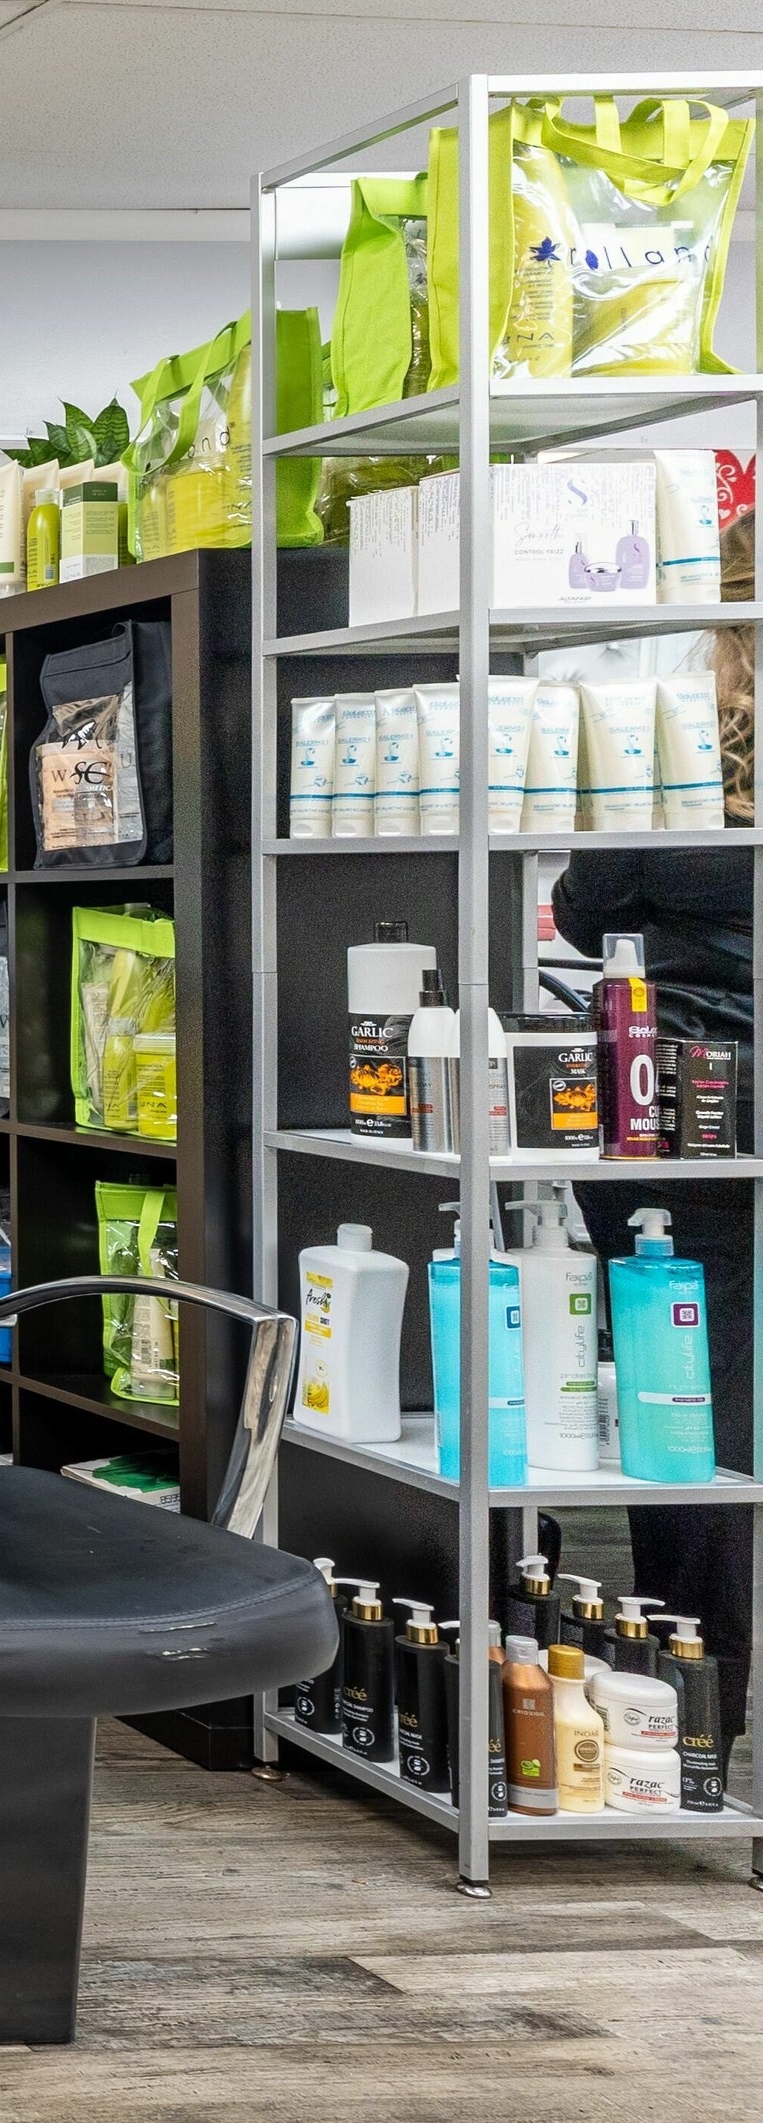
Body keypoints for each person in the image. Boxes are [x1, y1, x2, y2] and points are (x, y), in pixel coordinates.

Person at [557, 508, 756, 1743]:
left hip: (685, 1100)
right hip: (694, 1094)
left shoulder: (677, 761)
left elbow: (582, 909)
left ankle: (694, 1703)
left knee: (694, 1408)